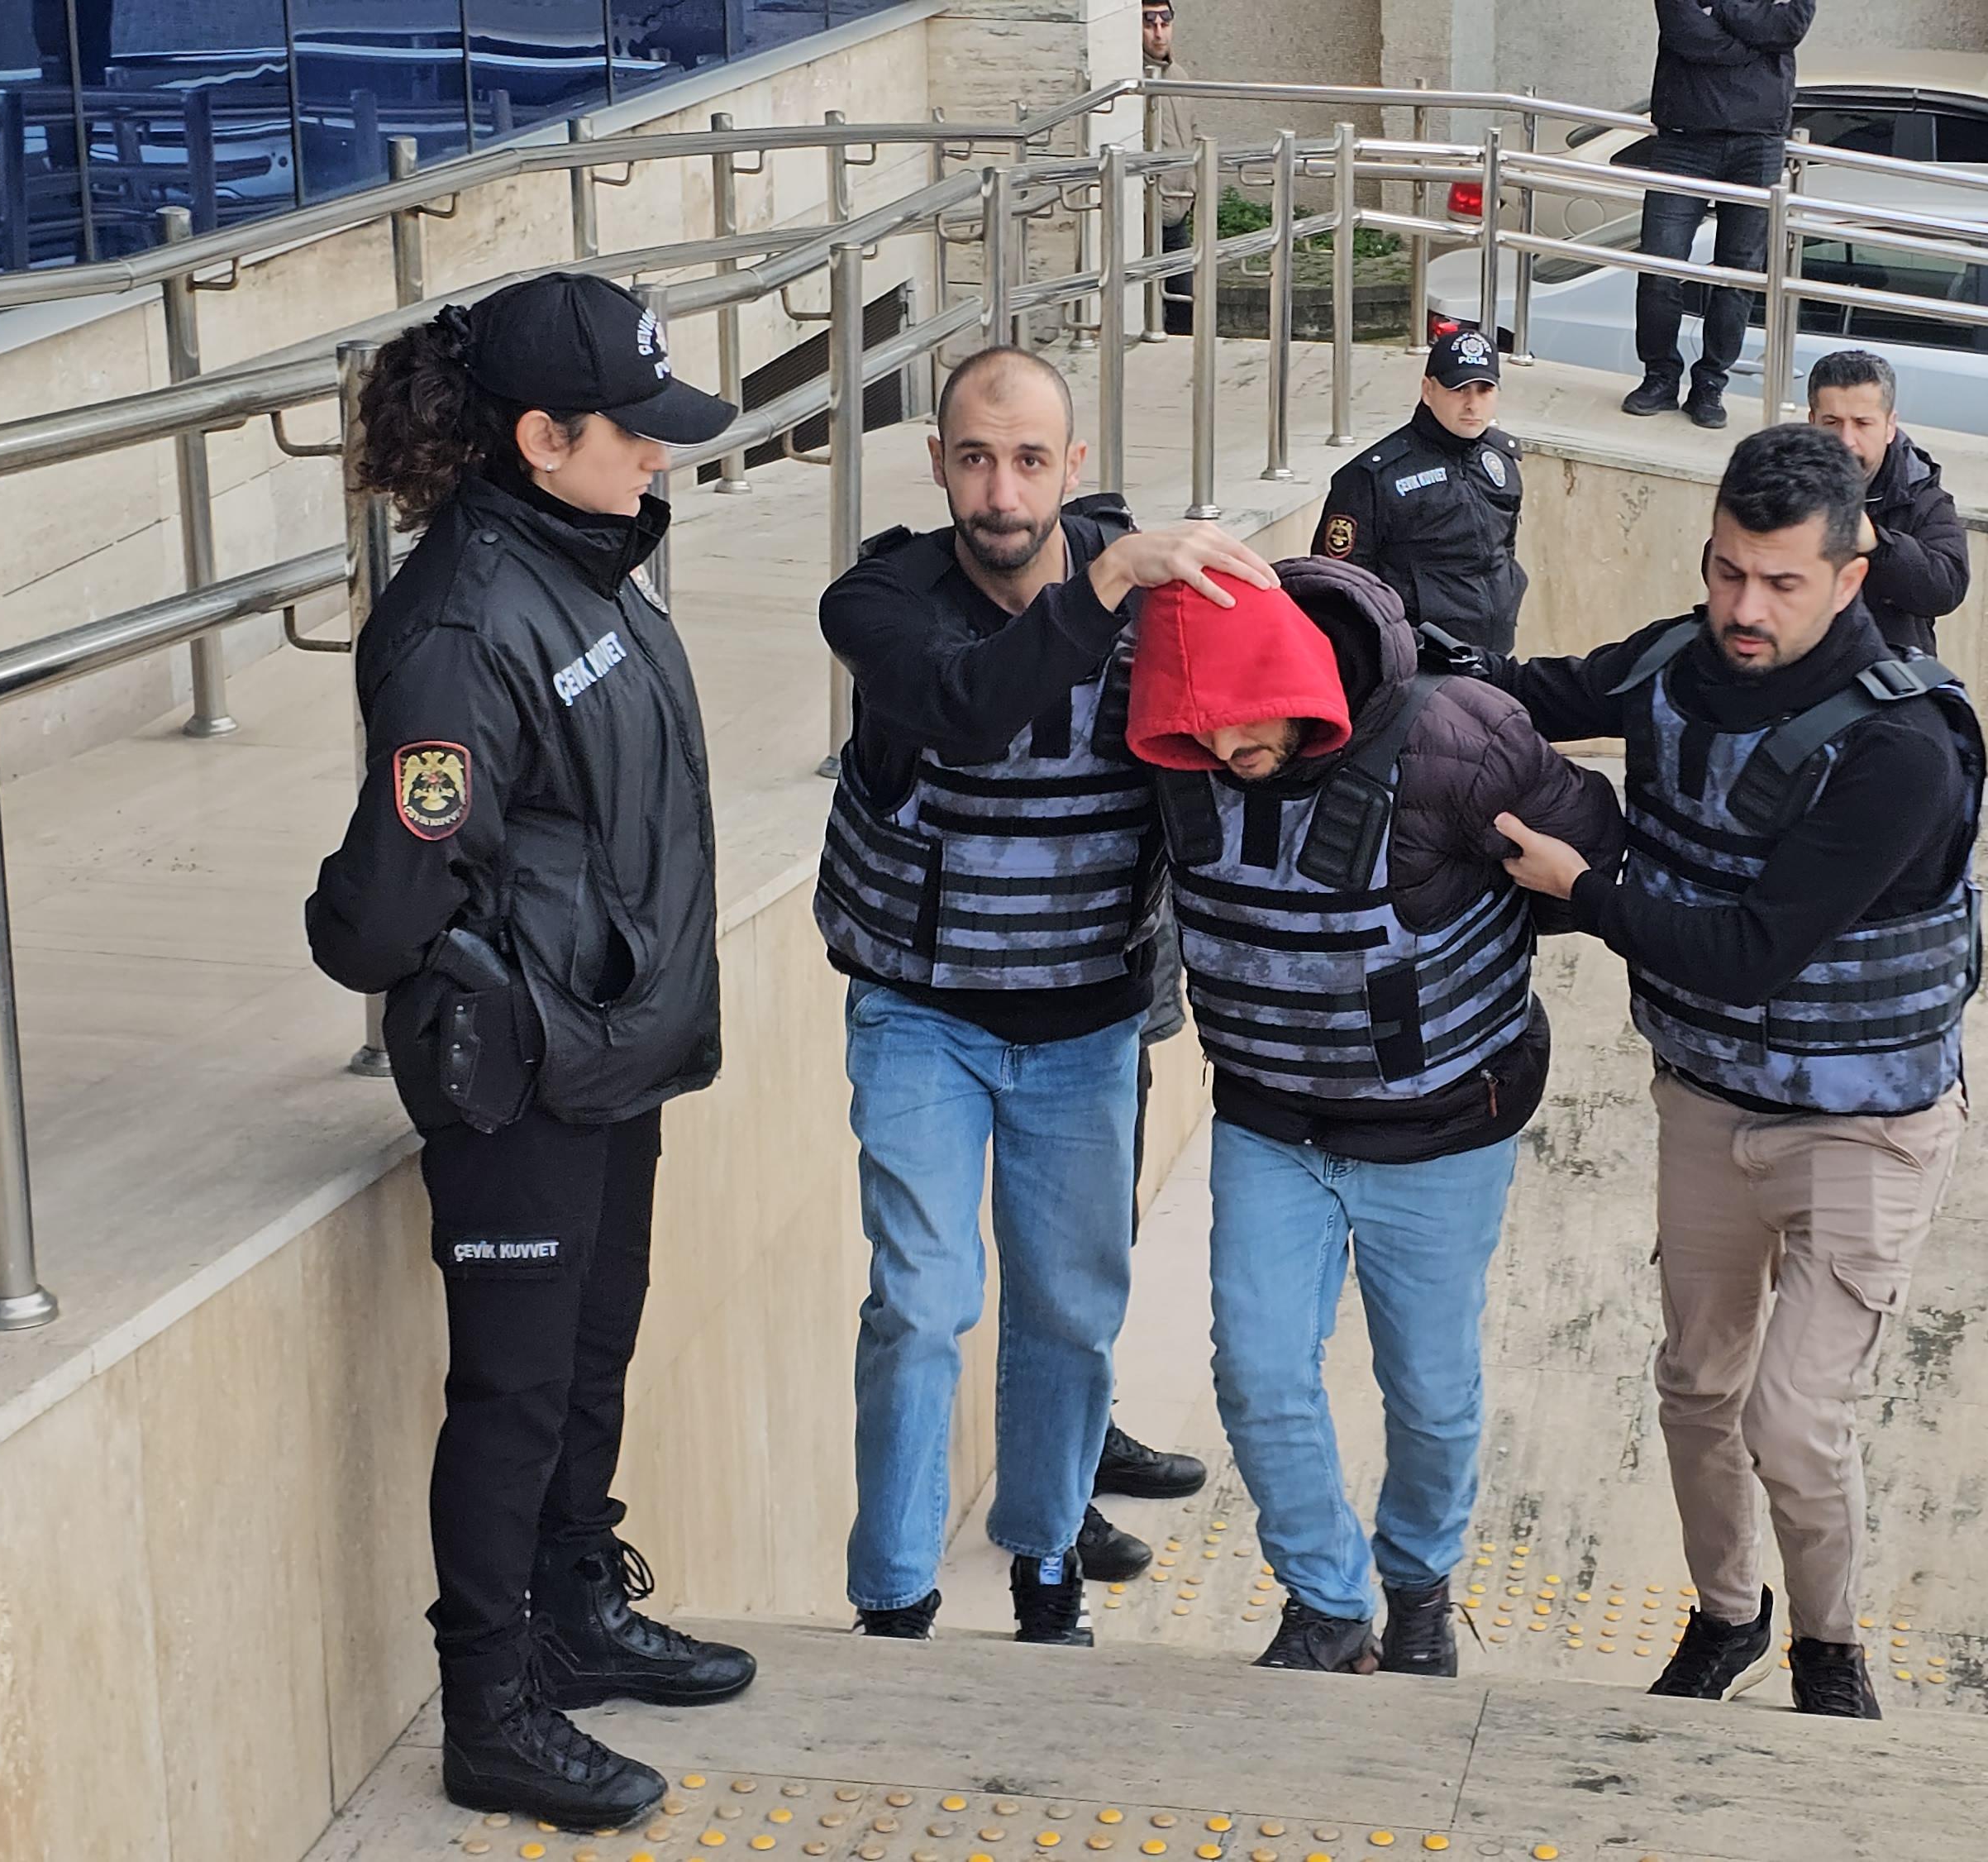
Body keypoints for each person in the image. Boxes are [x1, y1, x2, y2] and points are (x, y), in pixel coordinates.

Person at [303, 273, 753, 1831]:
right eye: (634, 432)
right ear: (540, 437)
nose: (660, 455)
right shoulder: (463, 621)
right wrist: (352, 926)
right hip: (519, 1069)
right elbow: (389, 900)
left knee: (590, 1353)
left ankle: (576, 1608)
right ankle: (491, 1707)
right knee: (512, 1393)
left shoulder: (587, 559)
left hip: (609, 1045)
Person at [1480, 423, 1985, 1719]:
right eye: (1726, 572)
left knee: (1795, 1424)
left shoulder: (1903, 747)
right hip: (1706, 1103)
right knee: (1697, 1388)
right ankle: (1727, 1616)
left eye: (1781, 583)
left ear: (1853, 577)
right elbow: (1522, 690)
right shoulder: (1675, 660)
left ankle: (1829, 1649)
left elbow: (1753, 953)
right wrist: (1356, 637)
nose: (1745, 609)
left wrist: (1584, 889)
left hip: (1864, 1131)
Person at [816, 346, 1271, 1648]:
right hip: (921, 1017)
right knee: (921, 1302)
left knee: (1070, 1315)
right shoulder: (882, 601)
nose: (1001, 493)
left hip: (1085, 1028)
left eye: (1028, 461)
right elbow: (969, 708)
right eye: (974, 459)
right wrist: (1108, 584)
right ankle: (894, 1597)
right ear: (938, 465)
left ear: (1072, 467)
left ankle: (1045, 1567)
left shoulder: (1157, 604)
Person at [1125, 555, 1623, 1676]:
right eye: (1197, 725)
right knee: (1257, 1372)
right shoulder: (1174, 745)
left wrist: (1476, 907)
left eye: (1240, 717)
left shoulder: (1459, 738)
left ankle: (1419, 1587)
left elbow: (1590, 852)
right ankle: (1326, 1603)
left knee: (1432, 1398)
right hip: (1271, 1122)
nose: (1223, 748)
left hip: (1439, 1131)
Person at [1621, 0, 1819, 430]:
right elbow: (1687, 33)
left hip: (1759, 143)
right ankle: (1659, 377)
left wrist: (1722, 8)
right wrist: (1755, 41)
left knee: (1738, 274)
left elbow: (1789, 26)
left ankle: (1710, 384)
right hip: (1684, 139)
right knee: (1659, 266)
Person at [1313, 327, 1531, 653]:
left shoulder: (1501, 460)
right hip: (1420, 661)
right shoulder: (1372, 477)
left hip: (1496, 655)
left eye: (1484, 390)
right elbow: (1339, 589)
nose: (1472, 404)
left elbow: (1504, 550)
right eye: (1459, 389)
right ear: (1428, 391)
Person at [1804, 350, 1969, 657]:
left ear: (1889, 427)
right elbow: (1721, 562)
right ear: (1812, 422)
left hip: (1886, 668)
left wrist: (1877, 545)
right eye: (1832, 422)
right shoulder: (1779, 473)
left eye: (1862, 423)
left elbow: (1946, 588)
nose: (1846, 440)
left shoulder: (1921, 494)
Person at [1142, 0, 1203, 336]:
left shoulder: (1179, 76)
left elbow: (1189, 134)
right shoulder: (1133, 80)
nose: (1158, 33)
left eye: (1164, 23)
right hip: (1145, 215)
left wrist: (1193, 188)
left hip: (1177, 210)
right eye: (1149, 23)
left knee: (1185, 306)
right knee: (1146, 307)